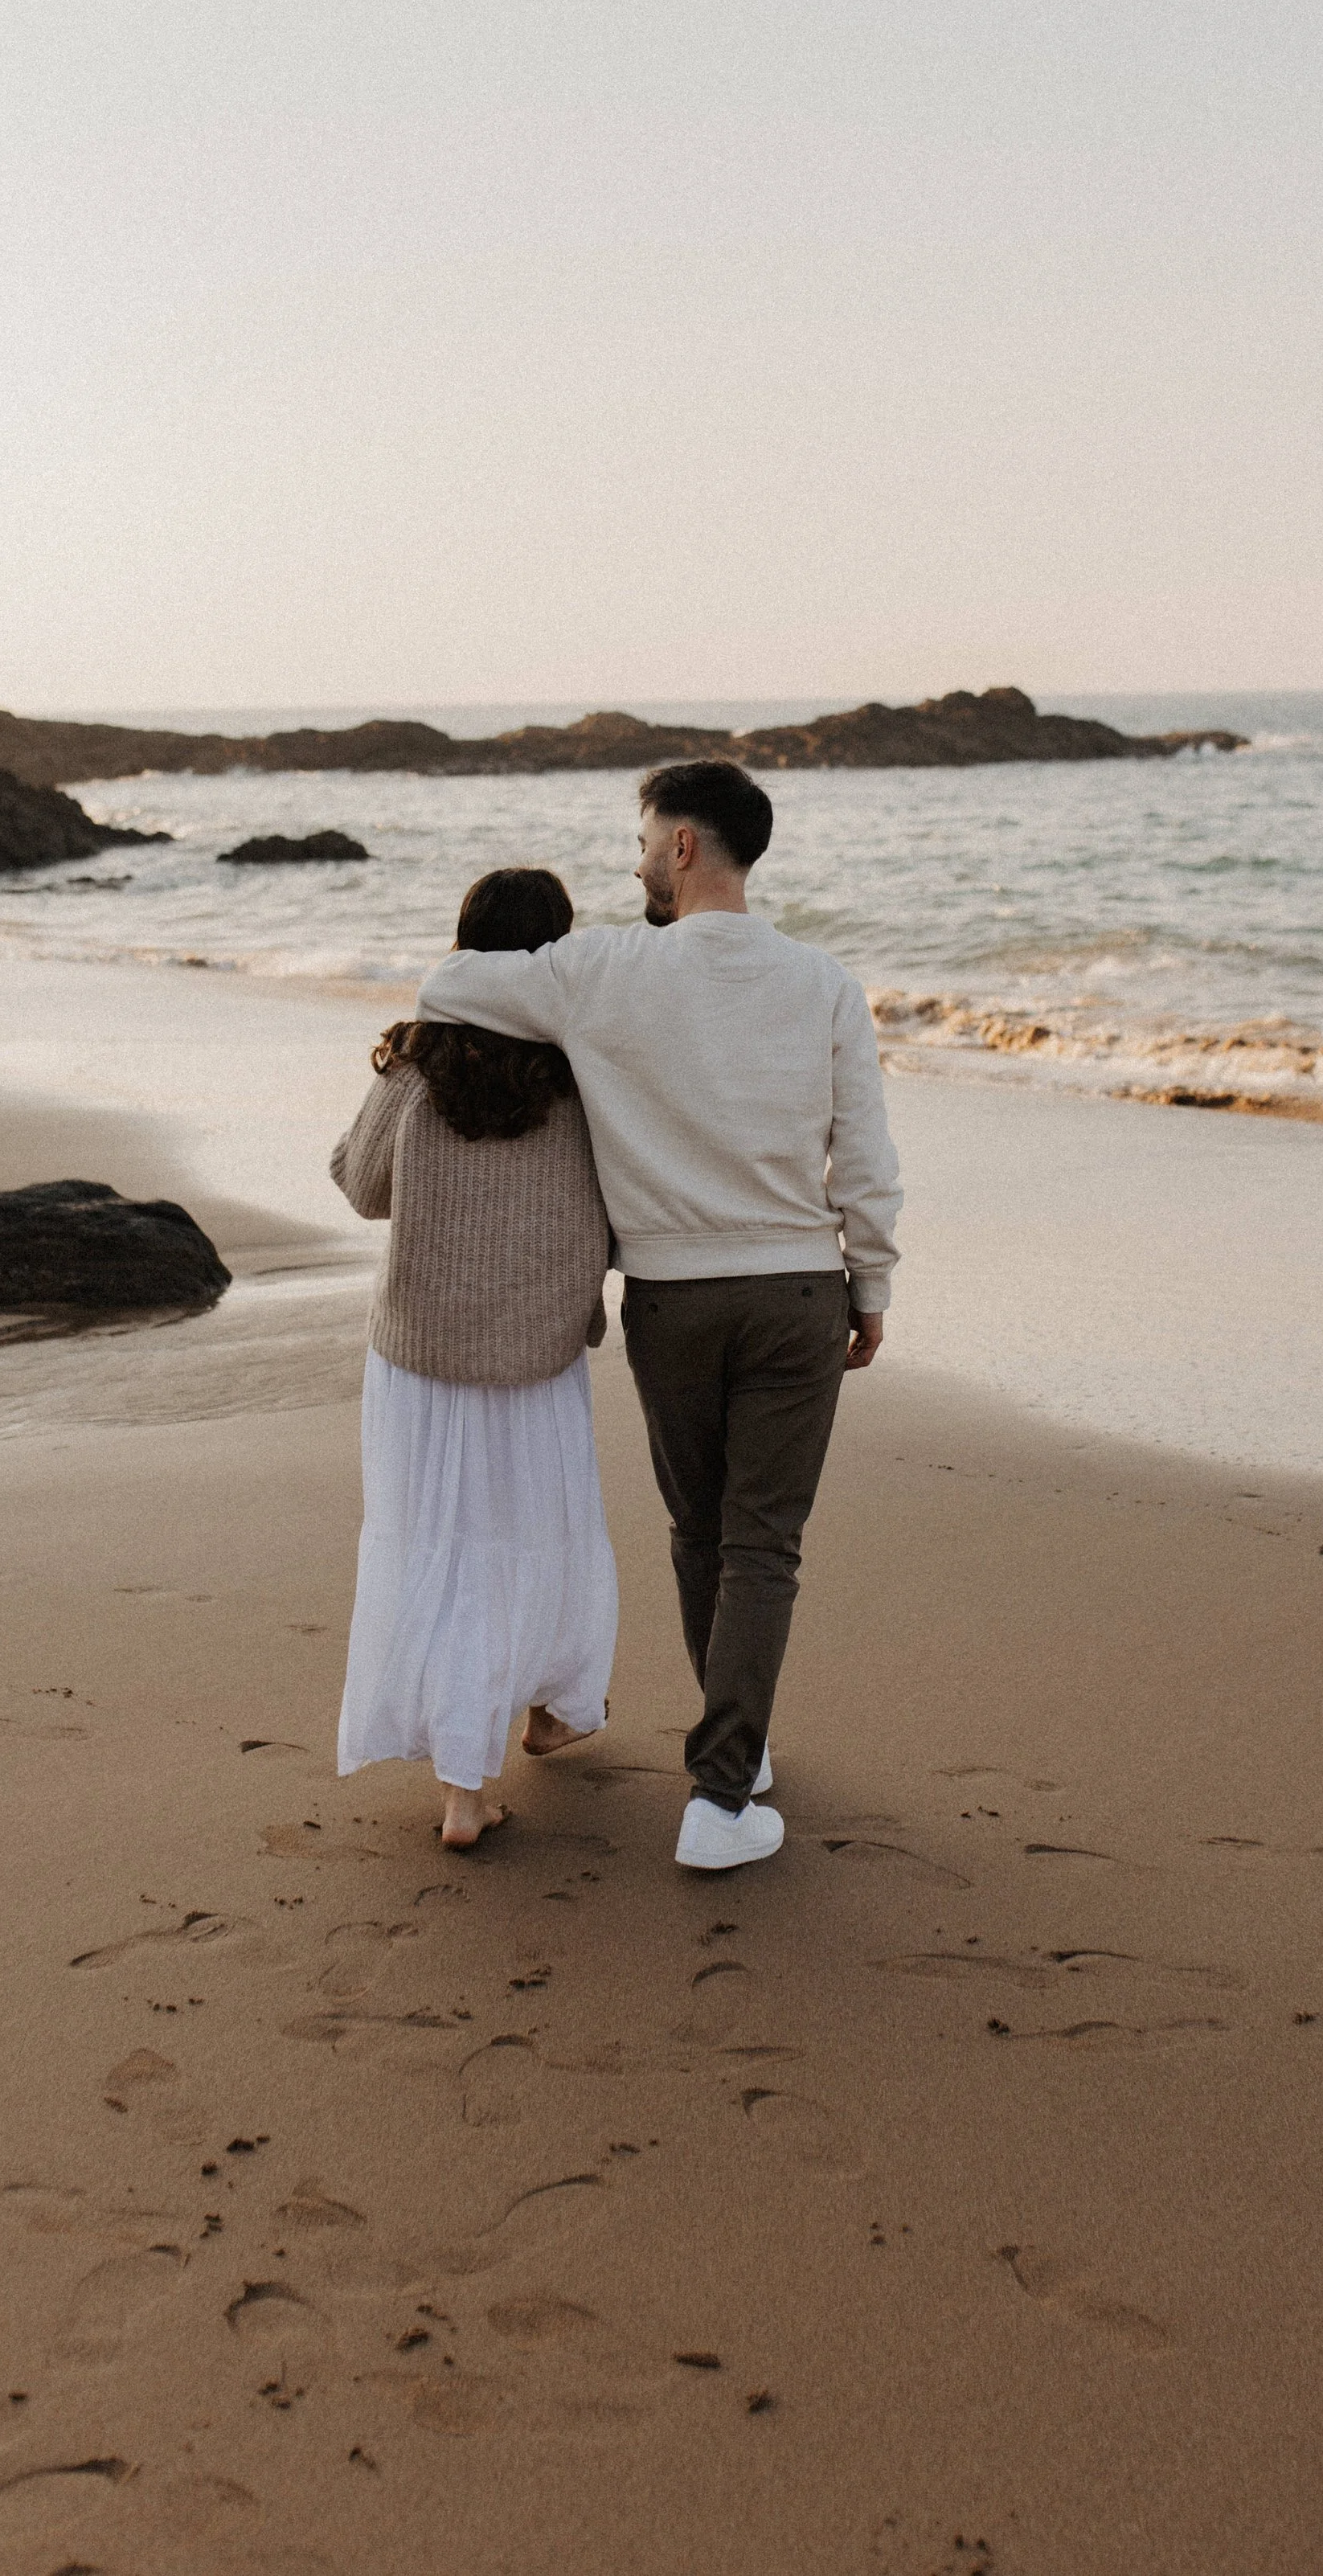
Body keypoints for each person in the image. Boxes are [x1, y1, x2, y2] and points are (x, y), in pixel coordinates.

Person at [415, 758, 902, 1873]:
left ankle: (736, 1761)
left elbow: (448, 987)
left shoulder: (602, 970)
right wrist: (868, 1282)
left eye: (642, 840)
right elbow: (864, 1156)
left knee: (702, 1530)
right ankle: (726, 1788)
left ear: (684, 844)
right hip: (793, 1291)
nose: (634, 861)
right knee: (763, 1543)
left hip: (673, 1298)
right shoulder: (822, 979)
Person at [331, 866, 616, 1851]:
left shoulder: (420, 1061)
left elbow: (360, 1186)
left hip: (420, 1352)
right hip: (535, 1352)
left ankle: (468, 1785)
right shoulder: (583, 1060)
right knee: (533, 1541)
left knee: (442, 1551)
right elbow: (631, 1200)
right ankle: (550, 1712)